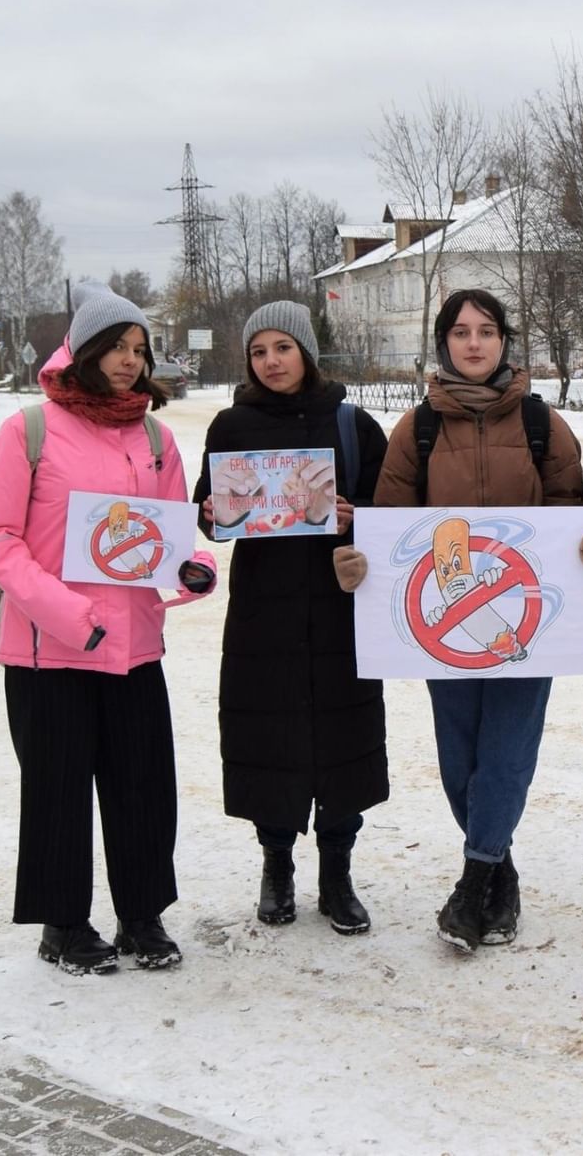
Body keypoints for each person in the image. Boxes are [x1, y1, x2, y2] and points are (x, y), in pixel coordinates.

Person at [0, 285, 217, 975]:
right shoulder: (31, 431)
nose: (129, 362)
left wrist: (195, 569)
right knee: (57, 787)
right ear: (84, 351)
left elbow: (172, 537)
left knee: (143, 786)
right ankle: (64, 925)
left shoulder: (156, 437)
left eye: (139, 350)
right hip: (48, 650)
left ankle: (142, 919)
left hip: (134, 646)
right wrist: (67, 615)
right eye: (116, 347)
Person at [371, 289, 583, 954]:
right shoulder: (415, 430)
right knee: (458, 763)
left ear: (505, 341)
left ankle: (473, 885)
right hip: (441, 627)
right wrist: (362, 567)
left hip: (526, 626)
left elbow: (568, 511)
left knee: (504, 758)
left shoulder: (542, 424)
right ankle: (499, 871)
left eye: (488, 331)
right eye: (461, 332)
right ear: (444, 342)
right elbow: (388, 527)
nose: (474, 343)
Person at [192, 301, 390, 937]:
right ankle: (276, 861)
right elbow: (210, 515)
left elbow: (395, 514)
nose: (272, 361)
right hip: (263, 610)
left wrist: (358, 516)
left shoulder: (353, 424)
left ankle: (338, 869)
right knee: (266, 735)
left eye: (283, 347)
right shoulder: (231, 425)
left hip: (340, 606)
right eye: (258, 351)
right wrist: (212, 514)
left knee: (343, 738)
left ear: (305, 350)